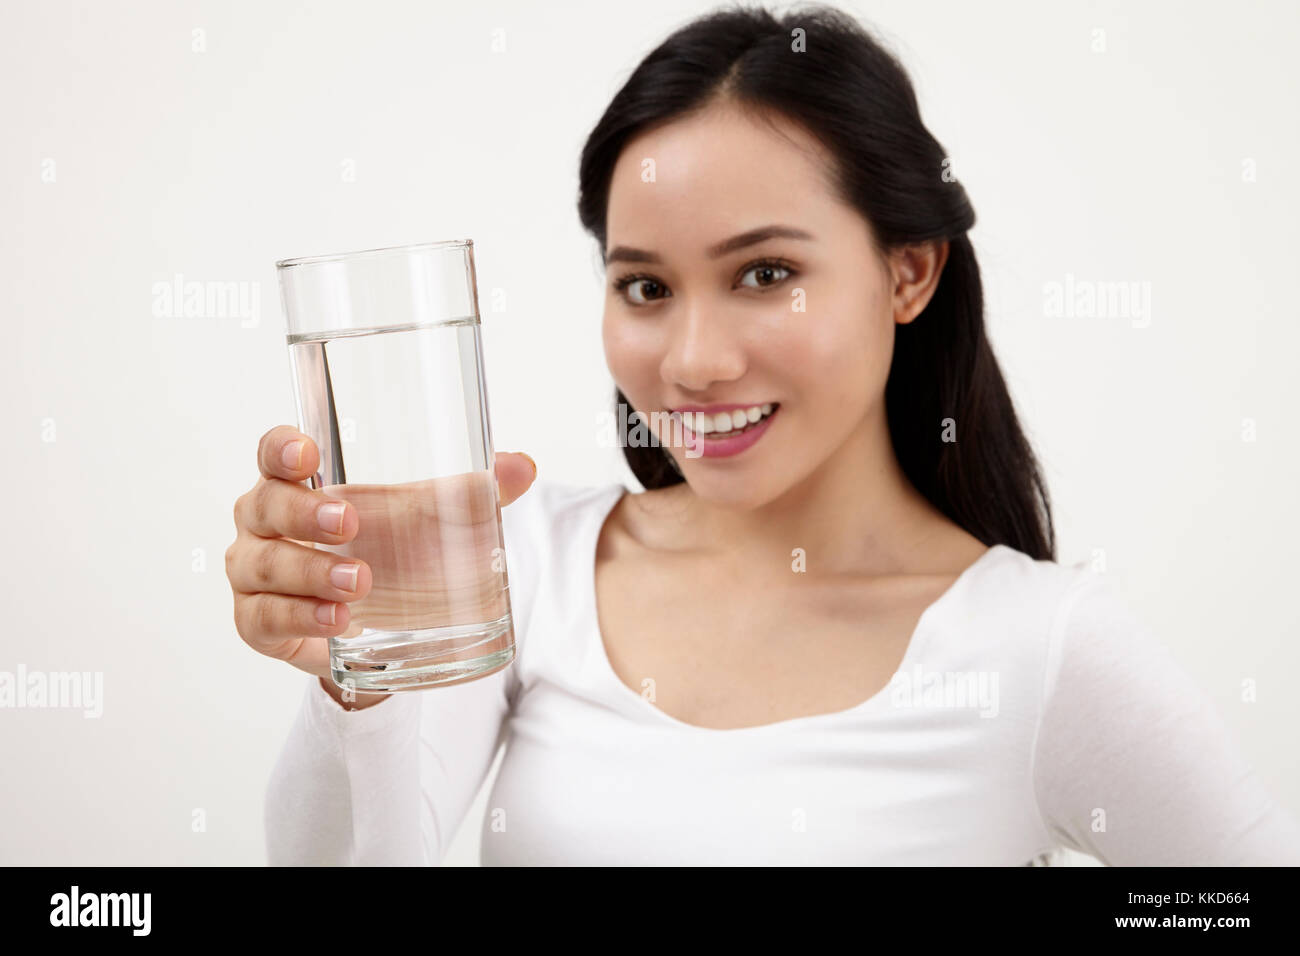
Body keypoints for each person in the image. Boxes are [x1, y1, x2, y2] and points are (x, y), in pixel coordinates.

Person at [227, 3, 1300, 865]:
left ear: (907, 269)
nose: (691, 359)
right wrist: (348, 669)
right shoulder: (524, 564)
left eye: (765, 273)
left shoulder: (1041, 645)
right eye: (644, 284)